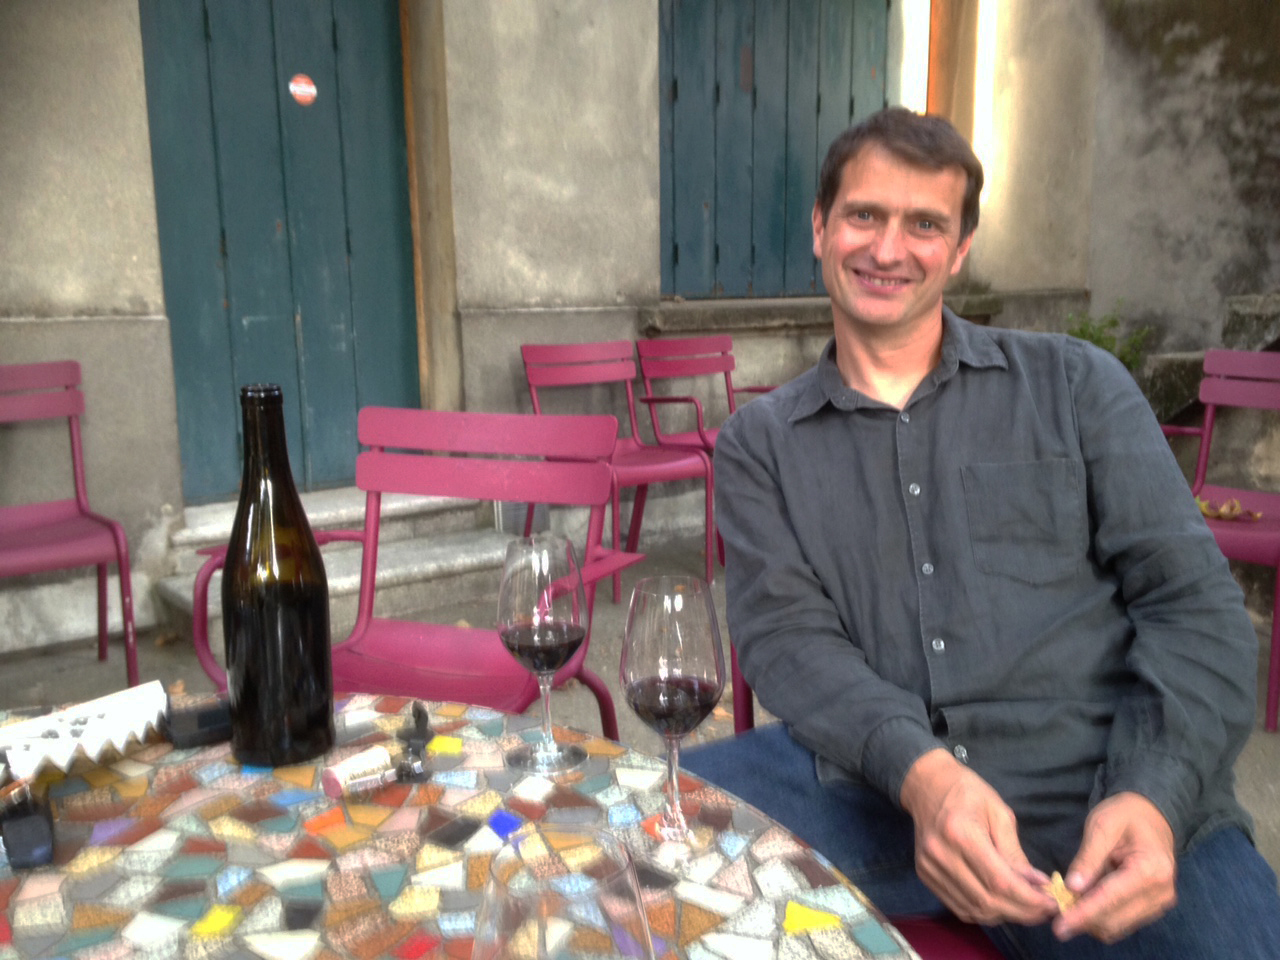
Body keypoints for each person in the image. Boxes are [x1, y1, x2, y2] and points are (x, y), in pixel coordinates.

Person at [683, 106, 1280, 957]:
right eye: (864, 215)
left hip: (1101, 795)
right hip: (874, 791)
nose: (889, 249)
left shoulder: (1075, 386)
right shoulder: (761, 443)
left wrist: (1155, 792)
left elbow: (1195, 609)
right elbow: (786, 638)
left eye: (925, 224)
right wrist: (925, 776)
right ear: (819, 227)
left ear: (960, 249)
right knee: (622, 846)